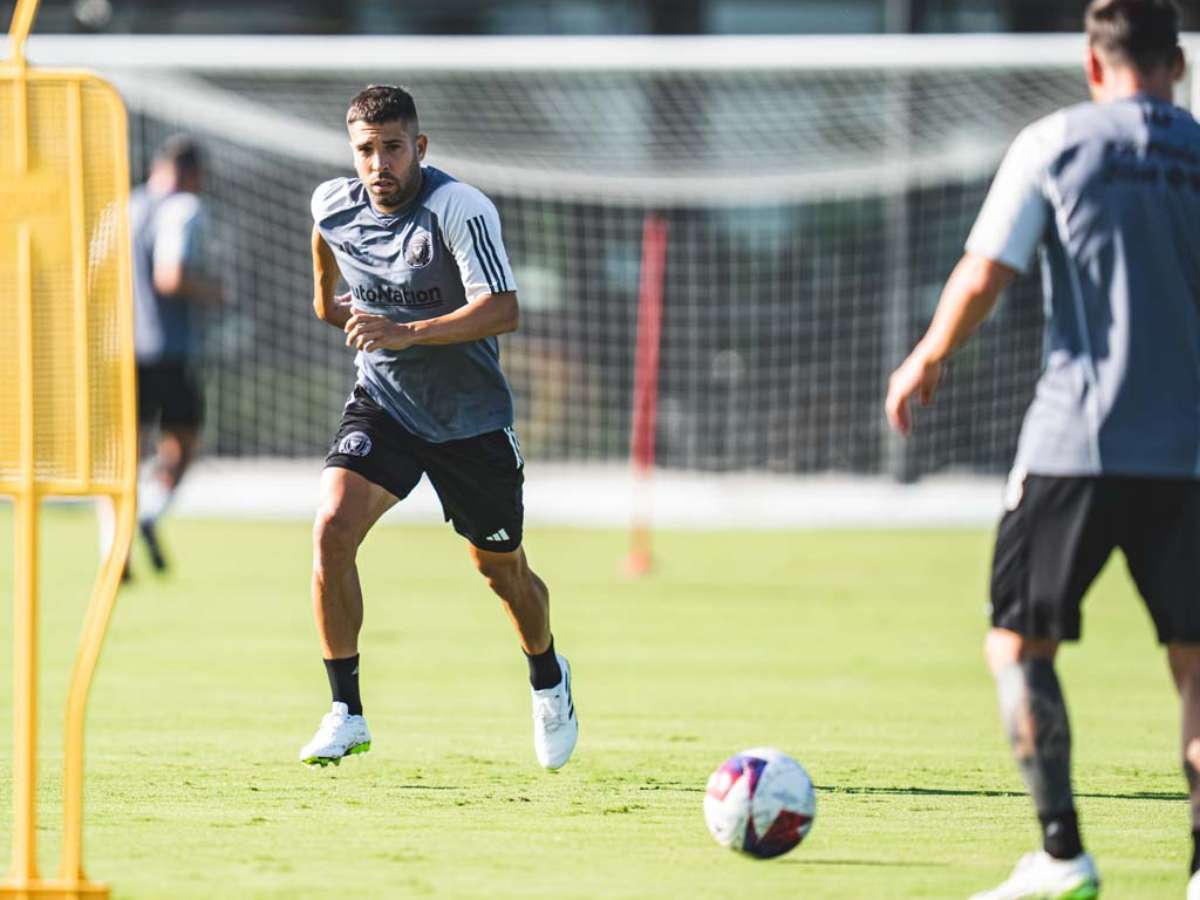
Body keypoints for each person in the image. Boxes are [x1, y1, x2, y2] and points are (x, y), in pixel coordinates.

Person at [885, 1, 1198, 897]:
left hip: (1078, 444)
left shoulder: (1054, 141)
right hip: (1192, 453)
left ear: (1094, 66)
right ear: (1174, 65)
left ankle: (1062, 854)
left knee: (1020, 647)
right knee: (1195, 661)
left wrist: (927, 356)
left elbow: (987, 269)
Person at [299, 85, 577, 771]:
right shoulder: (331, 206)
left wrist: (405, 330)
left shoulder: (459, 208)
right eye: (366, 150)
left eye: (392, 147)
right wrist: (356, 321)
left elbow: (503, 309)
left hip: (470, 422)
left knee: (501, 572)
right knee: (332, 527)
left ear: (418, 147)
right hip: (385, 404)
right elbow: (326, 294)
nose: (379, 163)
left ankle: (548, 678)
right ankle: (346, 710)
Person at [120, 135, 220, 575]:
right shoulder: (183, 208)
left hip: (119, 348)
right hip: (166, 348)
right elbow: (170, 276)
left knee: (125, 453)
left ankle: (114, 548)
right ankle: (150, 514)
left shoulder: (124, 207)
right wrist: (212, 290)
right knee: (183, 442)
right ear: (192, 173)